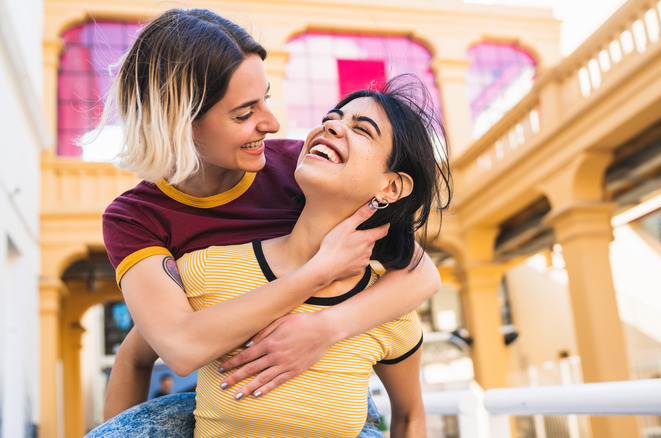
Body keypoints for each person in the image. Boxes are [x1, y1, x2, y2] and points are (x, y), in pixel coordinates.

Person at [87, 8, 442, 437]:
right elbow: (170, 346)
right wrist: (318, 272)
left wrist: (324, 329)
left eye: (266, 98)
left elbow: (420, 274)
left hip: (333, 392)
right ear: (179, 123)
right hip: (226, 397)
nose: (271, 124)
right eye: (243, 113)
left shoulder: (303, 166)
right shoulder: (140, 220)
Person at [178, 75, 449, 437]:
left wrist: (326, 328)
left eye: (362, 129)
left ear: (392, 186)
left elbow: (410, 416)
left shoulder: (389, 309)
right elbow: (137, 356)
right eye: (331, 119)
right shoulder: (207, 268)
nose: (332, 126)